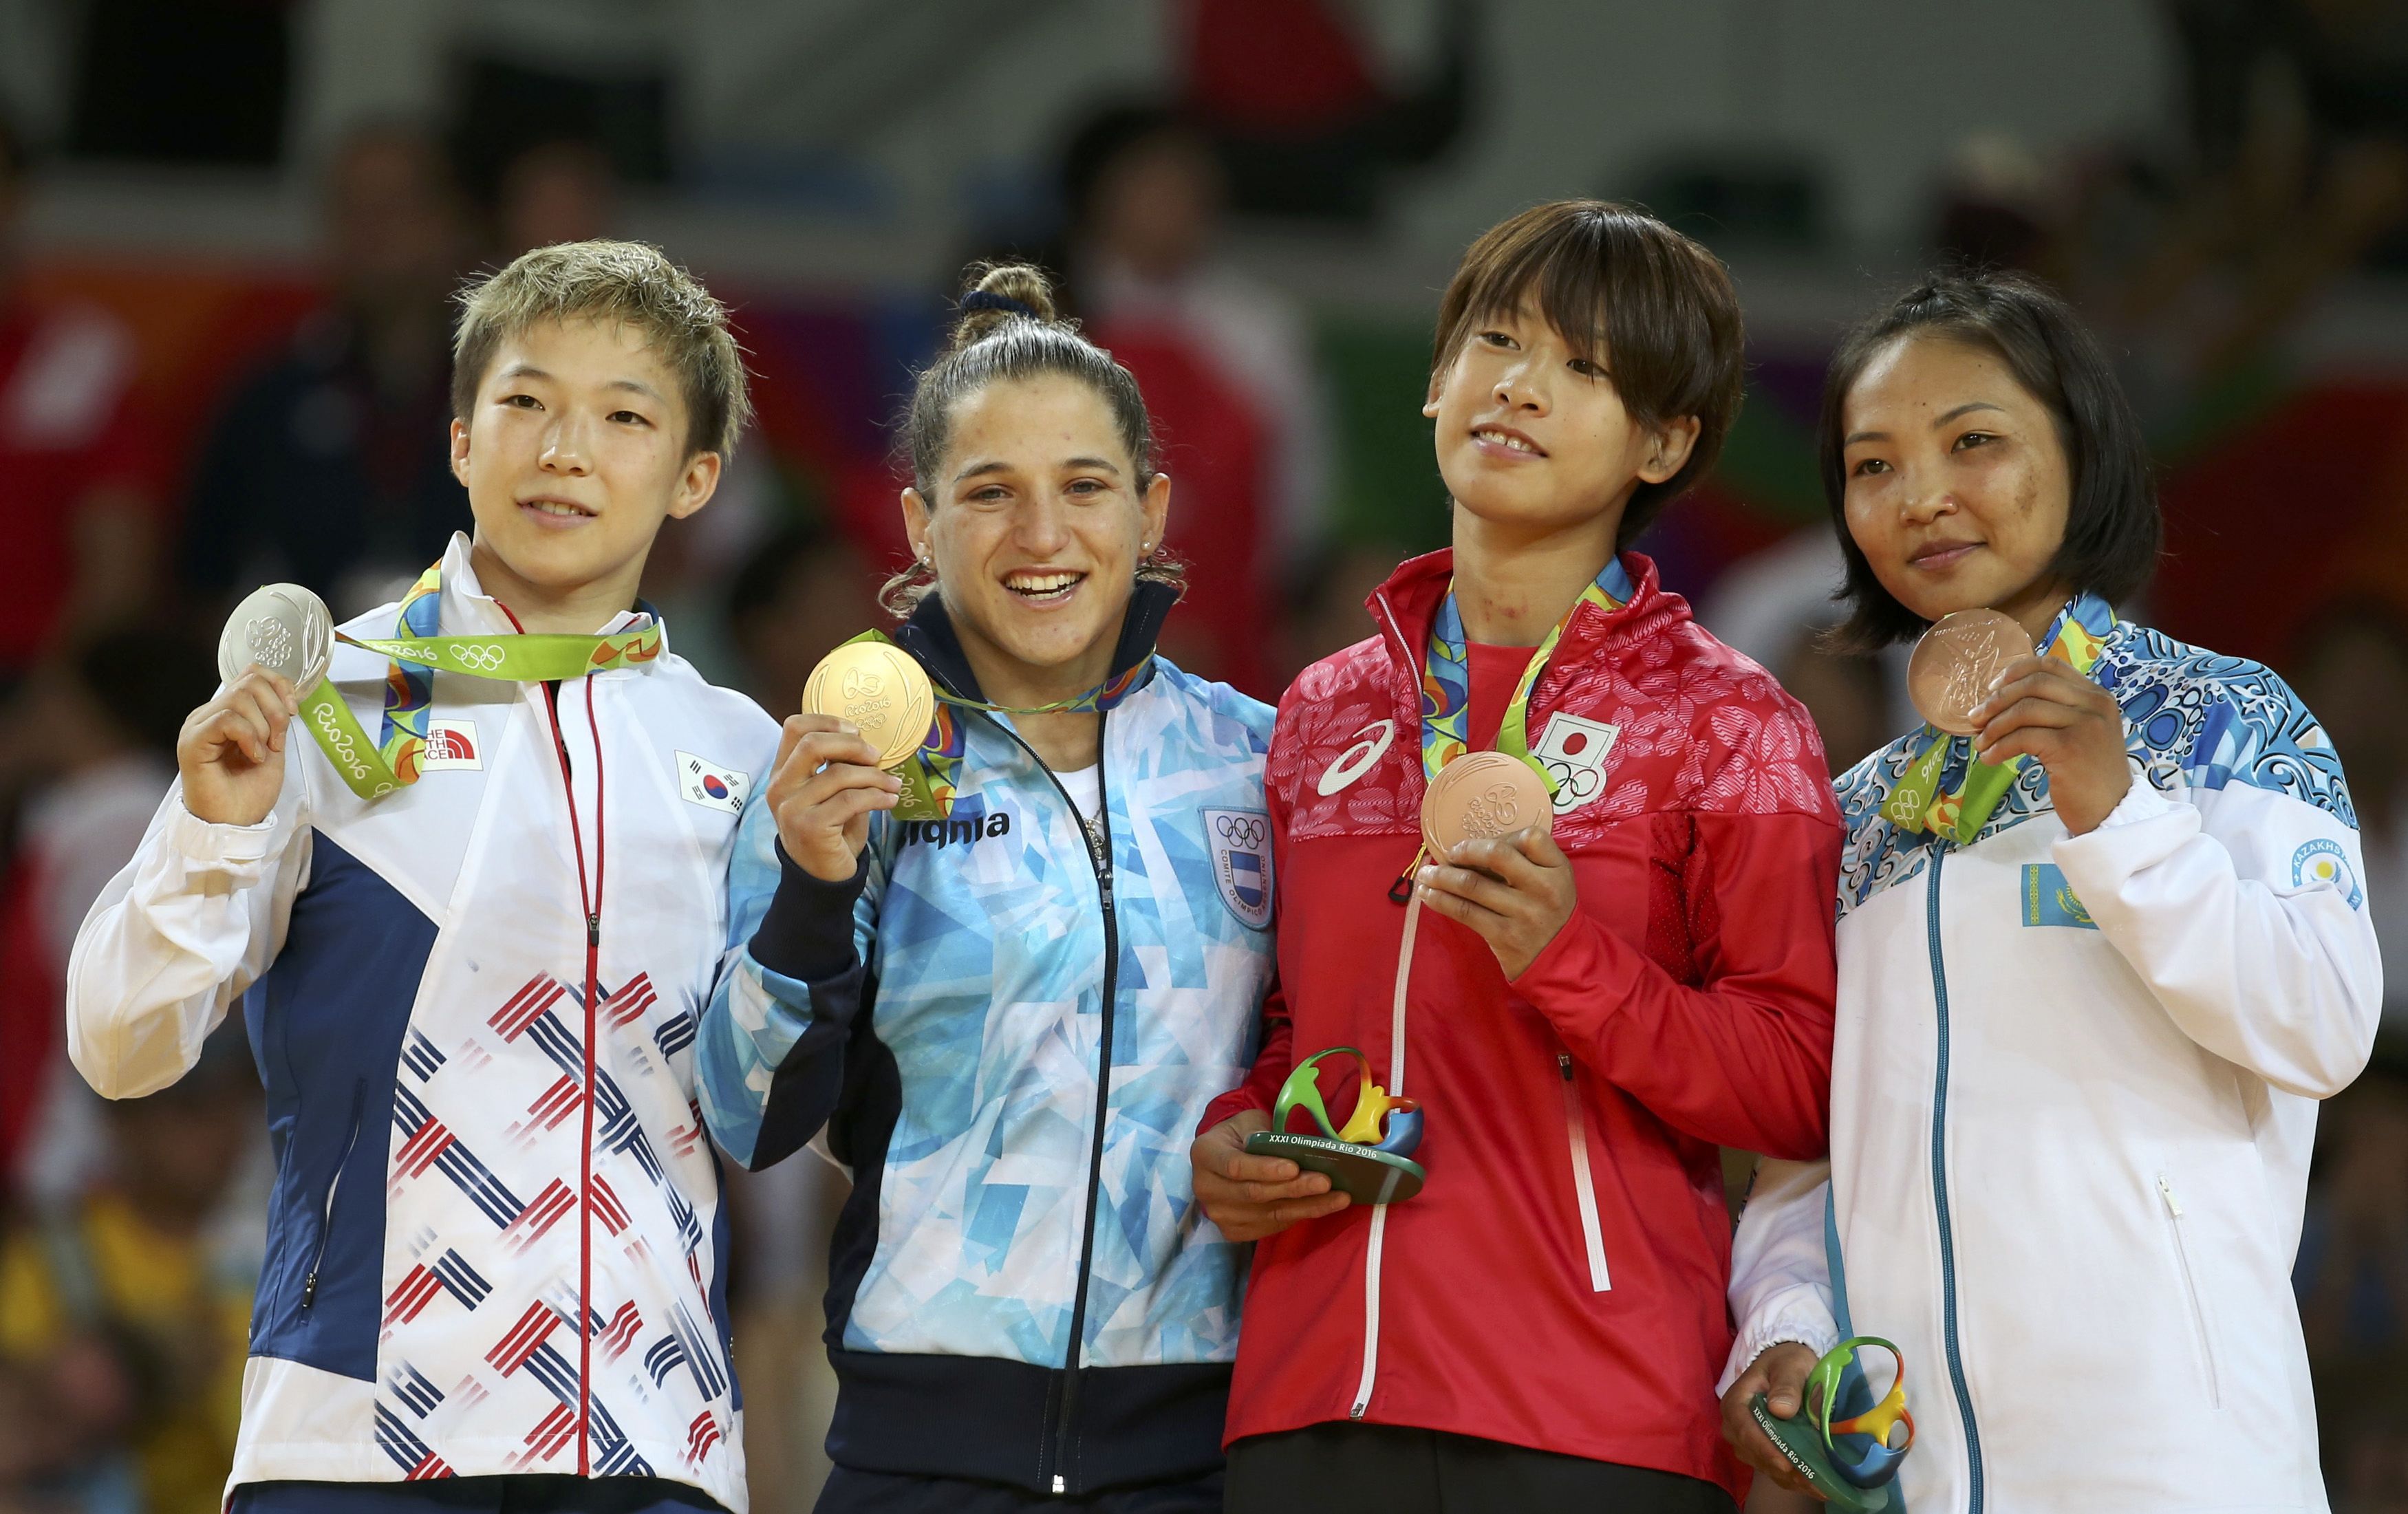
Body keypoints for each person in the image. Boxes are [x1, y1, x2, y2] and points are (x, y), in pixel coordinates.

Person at [67, 240, 775, 1512]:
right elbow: (120, 1045)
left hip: (652, 1442)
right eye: (526, 402)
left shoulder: (739, 752)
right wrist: (215, 834)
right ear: (460, 441)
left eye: (625, 417)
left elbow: (785, 1108)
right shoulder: (320, 697)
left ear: (696, 478)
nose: (566, 448)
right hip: (358, 1438)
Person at [1191, 199, 1843, 1512]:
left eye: (1588, 369)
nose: (1520, 387)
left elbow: (1801, 1082)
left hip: (1589, 1412)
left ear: (1668, 442)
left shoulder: (1729, 722)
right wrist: (1242, 1127)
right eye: (1494, 341)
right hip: (1313, 1397)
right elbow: (1295, 1016)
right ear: (1437, 381)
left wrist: (1568, 961)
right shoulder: (1325, 706)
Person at [1720, 270, 2382, 1513]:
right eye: (1874, 465)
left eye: (1974, 442)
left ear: (2079, 451)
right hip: (1900, 1471)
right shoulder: (1852, 814)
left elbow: (2325, 1019)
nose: (1922, 496)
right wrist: (1784, 1323)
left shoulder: (2226, 721)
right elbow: (1802, 1161)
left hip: (2174, 1457)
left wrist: (2118, 813)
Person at [693, 264, 1278, 1513]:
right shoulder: (857, 763)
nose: (1044, 536)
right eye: (991, 495)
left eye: (1084, 488)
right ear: (919, 524)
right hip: (926, 1451)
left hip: (1204, 1453)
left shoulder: (1253, 759)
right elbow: (753, 1116)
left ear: (1153, 509)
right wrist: (808, 884)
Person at [180, 123, 475, 617]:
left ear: (452, 222)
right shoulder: (267, 398)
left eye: (394, 206)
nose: (372, 231)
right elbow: (201, 583)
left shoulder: (515, 396)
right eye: (351, 209)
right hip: (301, 682)